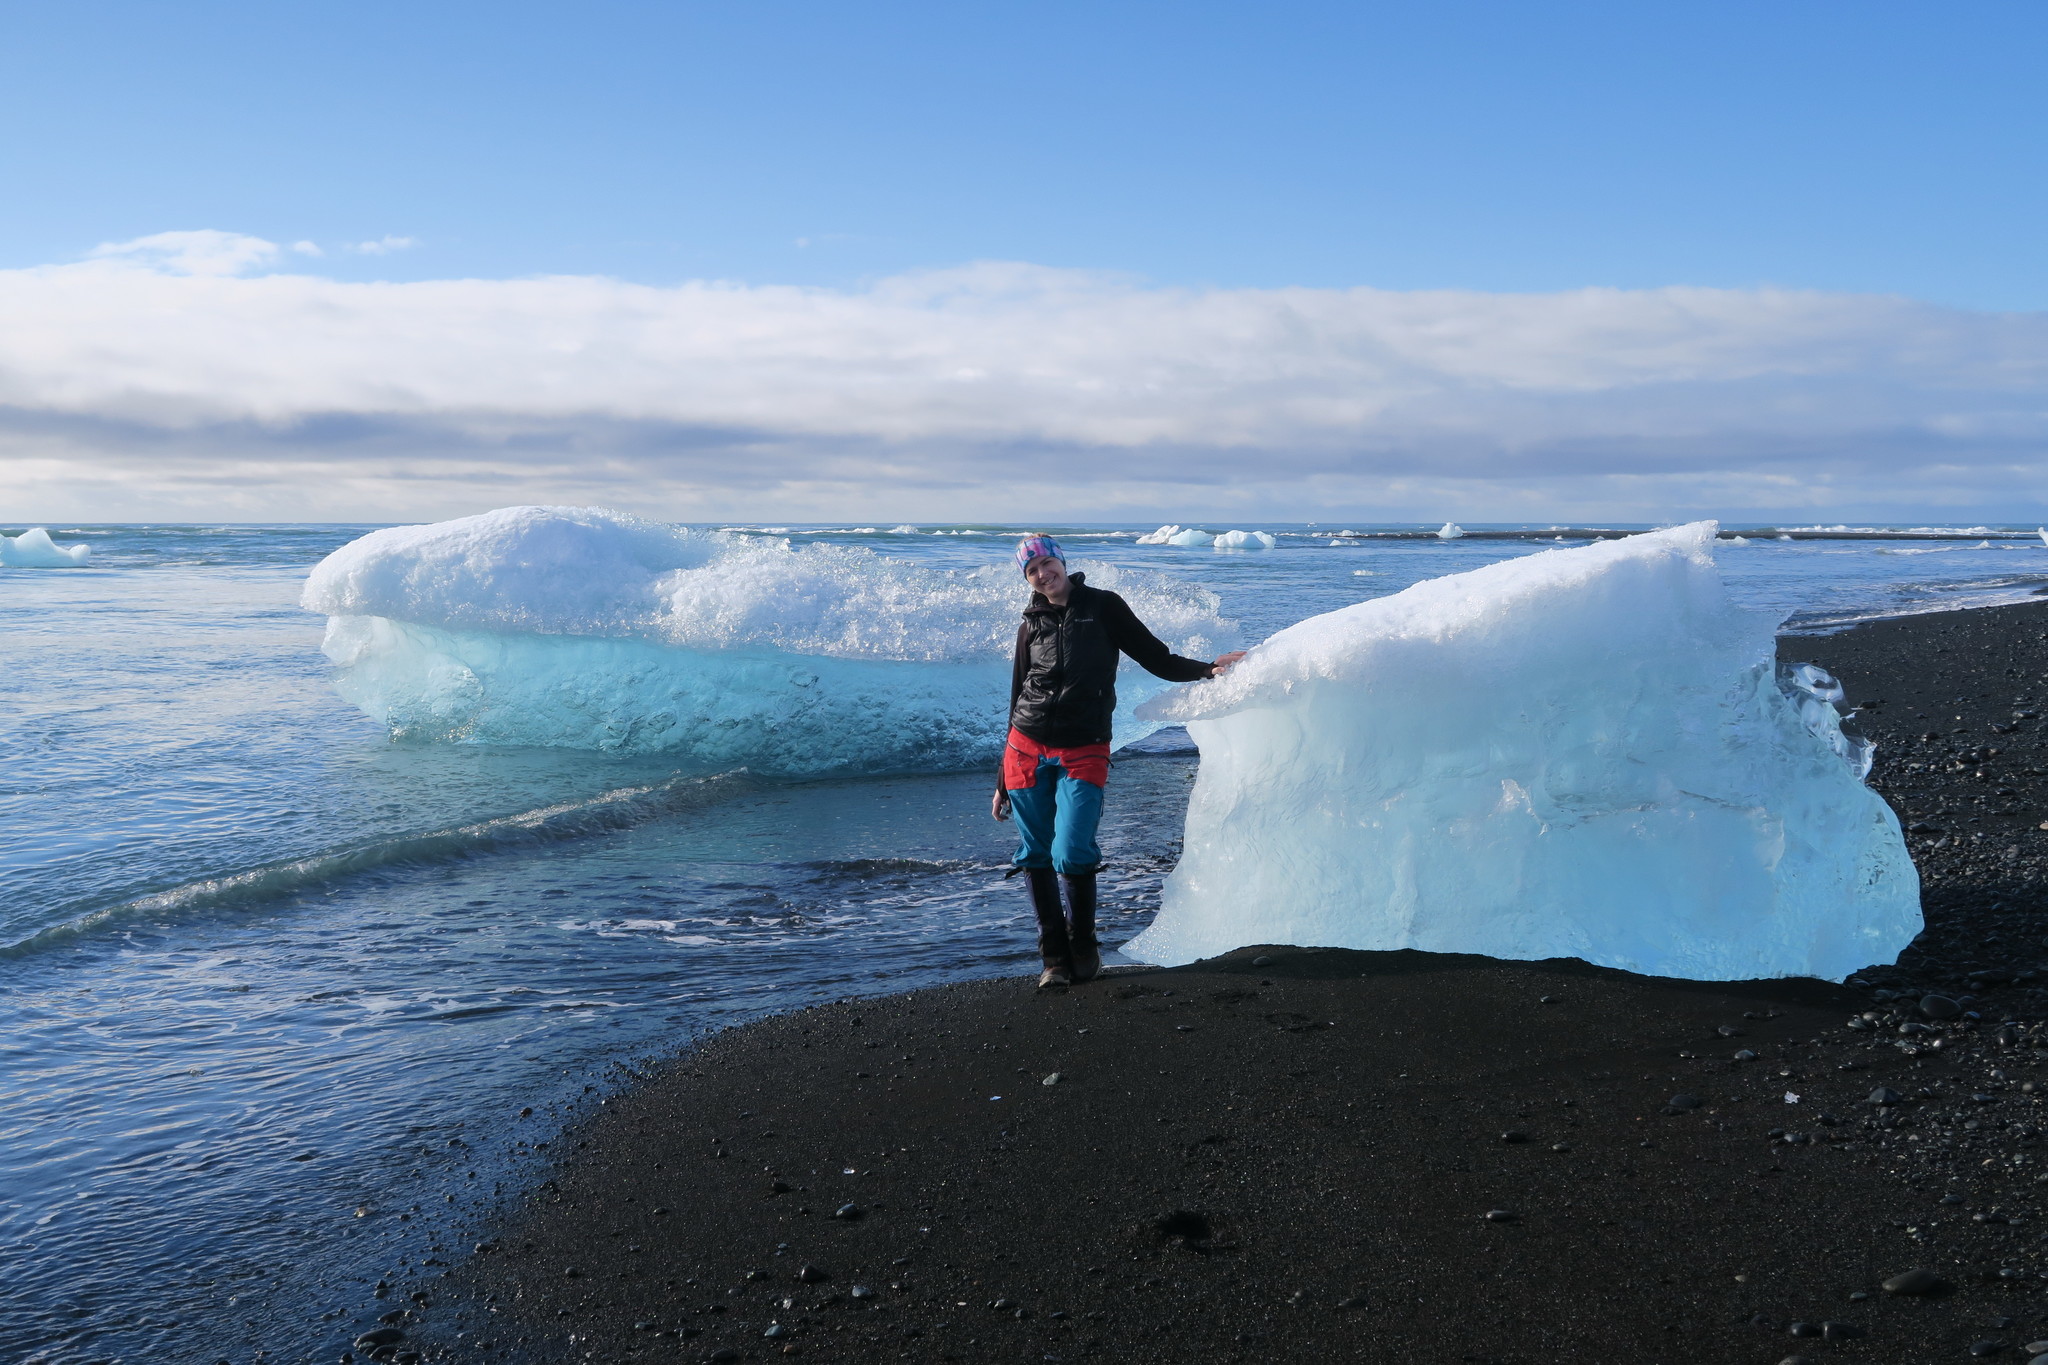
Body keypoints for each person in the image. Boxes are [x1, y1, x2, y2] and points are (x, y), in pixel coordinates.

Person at [994, 534, 1245, 987]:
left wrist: (1207, 670)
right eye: (1031, 570)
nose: (1041, 574)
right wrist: (1000, 780)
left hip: (1083, 747)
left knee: (1071, 850)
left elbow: (1156, 657)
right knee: (1035, 854)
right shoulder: (1030, 623)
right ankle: (1053, 960)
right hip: (1024, 748)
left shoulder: (1104, 606)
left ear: (1062, 562)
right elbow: (1017, 694)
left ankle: (1084, 947)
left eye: (1046, 563)